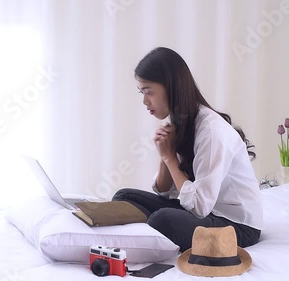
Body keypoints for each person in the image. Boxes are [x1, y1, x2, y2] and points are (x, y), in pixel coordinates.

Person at [112, 47, 263, 252]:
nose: (144, 101)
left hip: (237, 226)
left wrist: (170, 158)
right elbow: (165, 191)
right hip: (205, 214)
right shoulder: (182, 122)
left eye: (149, 92)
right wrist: (167, 156)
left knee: (163, 220)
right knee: (123, 198)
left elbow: (200, 206)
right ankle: (147, 235)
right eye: (142, 92)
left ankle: (147, 234)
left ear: (171, 88)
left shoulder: (211, 132)